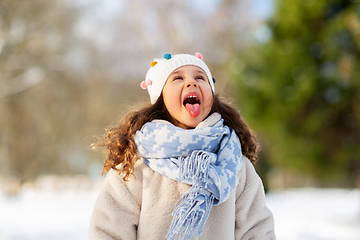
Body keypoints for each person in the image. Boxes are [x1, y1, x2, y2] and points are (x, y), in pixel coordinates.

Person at [88, 52, 276, 240]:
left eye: (200, 77)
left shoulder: (233, 163)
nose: (191, 82)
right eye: (178, 78)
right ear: (161, 98)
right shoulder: (137, 163)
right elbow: (108, 230)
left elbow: (257, 229)